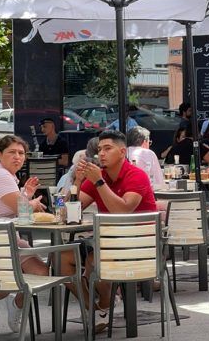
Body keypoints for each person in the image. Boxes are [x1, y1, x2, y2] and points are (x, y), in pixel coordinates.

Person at [60, 130, 157, 323]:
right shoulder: (99, 175)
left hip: (139, 243)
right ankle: (93, 308)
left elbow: (123, 212)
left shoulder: (136, 175)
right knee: (60, 259)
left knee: (95, 261)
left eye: (107, 148)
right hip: (107, 241)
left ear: (122, 152)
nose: (101, 154)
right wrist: (78, 181)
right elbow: (68, 213)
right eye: (99, 150)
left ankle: (105, 303)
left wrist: (98, 182)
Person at [0, 135, 49, 334]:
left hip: (7, 241)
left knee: (41, 273)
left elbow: (16, 208)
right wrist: (32, 204)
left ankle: (16, 305)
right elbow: (20, 211)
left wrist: (26, 196)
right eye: (12, 152)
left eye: (21, 153)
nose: (17, 157)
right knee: (5, 285)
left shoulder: (7, 176)